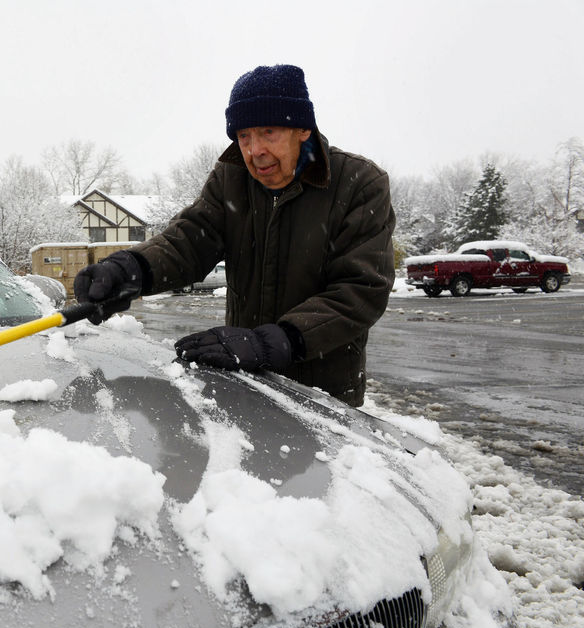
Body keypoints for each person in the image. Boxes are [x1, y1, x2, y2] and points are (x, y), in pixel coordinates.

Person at [73, 64, 395, 406]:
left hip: (323, 395)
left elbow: (361, 289)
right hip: (246, 381)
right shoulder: (231, 177)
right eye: (244, 137)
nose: (255, 151)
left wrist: (279, 341)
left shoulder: (359, 184)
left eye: (268, 132)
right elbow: (191, 240)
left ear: (303, 129)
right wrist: (132, 268)